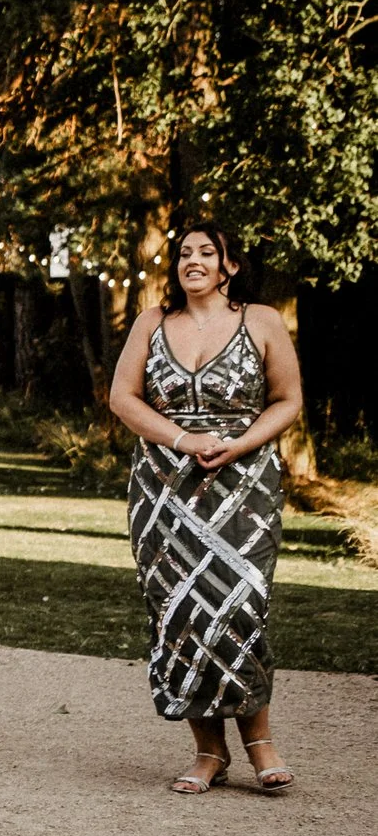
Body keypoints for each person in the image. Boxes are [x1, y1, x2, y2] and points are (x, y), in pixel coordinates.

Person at [106, 224, 302, 793]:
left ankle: (261, 744)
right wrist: (182, 439)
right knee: (178, 612)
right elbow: (122, 397)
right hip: (164, 488)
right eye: (184, 253)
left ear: (229, 265)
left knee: (240, 607)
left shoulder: (261, 320)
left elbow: (287, 399)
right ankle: (209, 751)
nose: (193, 260)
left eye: (206, 252)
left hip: (244, 485)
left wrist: (239, 445)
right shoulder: (152, 322)